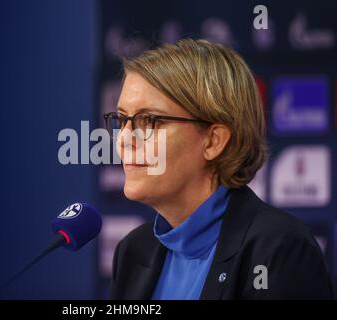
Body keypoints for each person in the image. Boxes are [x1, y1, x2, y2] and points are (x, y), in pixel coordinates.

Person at [105, 38, 333, 300]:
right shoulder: (133, 251)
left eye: (149, 121)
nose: (123, 139)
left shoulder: (279, 250)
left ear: (213, 141)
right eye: (122, 120)